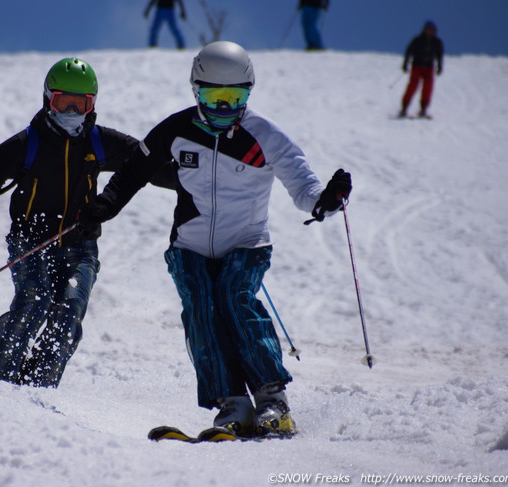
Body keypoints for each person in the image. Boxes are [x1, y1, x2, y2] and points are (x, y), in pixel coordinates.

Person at [79, 41, 352, 437]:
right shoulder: (177, 130)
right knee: (201, 312)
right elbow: (133, 171)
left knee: (234, 299)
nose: (223, 108)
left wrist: (325, 201)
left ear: (248, 93)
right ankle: (232, 403)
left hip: (246, 243)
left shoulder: (265, 136)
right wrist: (104, 207)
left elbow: (304, 186)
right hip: (188, 246)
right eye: (213, 97)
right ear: (196, 90)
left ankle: (272, 399)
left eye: (234, 97)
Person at [0, 58, 168, 388]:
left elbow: (148, 164)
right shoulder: (29, 143)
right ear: (47, 100)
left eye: (80, 104)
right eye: (62, 102)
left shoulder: (98, 142)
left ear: (92, 105)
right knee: (35, 301)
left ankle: (37, 386)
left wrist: (195, 180)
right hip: (30, 242)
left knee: (69, 311)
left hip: (79, 247)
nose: (71, 112)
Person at [399, 20, 444, 118]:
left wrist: (440, 66)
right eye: (428, 29)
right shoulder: (418, 40)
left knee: (427, 88)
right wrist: (405, 63)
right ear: (424, 30)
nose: (430, 32)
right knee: (412, 86)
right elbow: (409, 51)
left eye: (432, 30)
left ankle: (423, 109)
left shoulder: (436, 42)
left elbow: (439, 55)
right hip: (417, 66)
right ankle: (404, 108)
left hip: (429, 67)